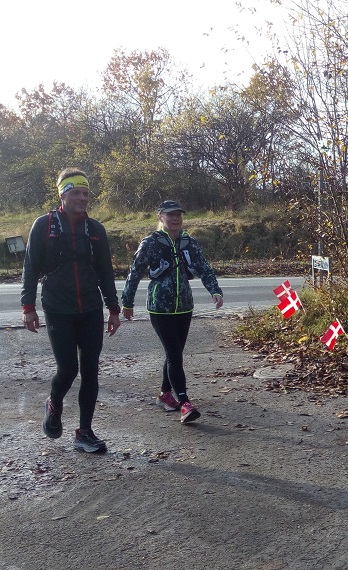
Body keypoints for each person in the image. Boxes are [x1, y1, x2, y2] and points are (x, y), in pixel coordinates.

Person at [21, 168, 122, 453]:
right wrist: (28, 307)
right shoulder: (44, 225)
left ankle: (85, 432)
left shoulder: (96, 230)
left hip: (90, 308)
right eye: (76, 192)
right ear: (63, 195)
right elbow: (29, 268)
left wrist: (113, 310)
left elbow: (105, 271)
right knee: (68, 369)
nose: (83, 198)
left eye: (86, 193)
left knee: (90, 370)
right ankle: (54, 403)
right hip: (58, 308)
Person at [120, 200, 224, 424]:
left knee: (174, 354)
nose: (175, 219)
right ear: (160, 217)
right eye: (170, 215)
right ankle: (185, 404)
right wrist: (127, 302)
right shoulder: (151, 243)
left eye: (178, 215)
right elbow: (135, 272)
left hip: (184, 306)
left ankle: (164, 394)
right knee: (174, 355)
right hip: (160, 307)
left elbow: (204, 267)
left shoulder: (189, 242)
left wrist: (215, 290)